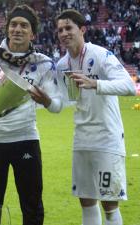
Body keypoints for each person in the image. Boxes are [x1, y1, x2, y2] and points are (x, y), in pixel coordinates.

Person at [0, 4, 63, 225]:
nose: (18, 29)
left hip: (26, 140)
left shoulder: (43, 63)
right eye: (14, 24)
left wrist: (46, 101)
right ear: (7, 29)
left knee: (32, 204)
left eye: (24, 25)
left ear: (33, 33)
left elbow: (57, 106)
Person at [55, 9, 136, 225]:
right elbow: (62, 101)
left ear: (82, 29)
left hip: (107, 138)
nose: (64, 33)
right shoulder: (62, 65)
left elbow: (129, 86)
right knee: (87, 201)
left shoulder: (101, 54)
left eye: (68, 28)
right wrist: (44, 99)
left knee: (109, 203)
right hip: (81, 138)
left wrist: (95, 83)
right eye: (60, 29)